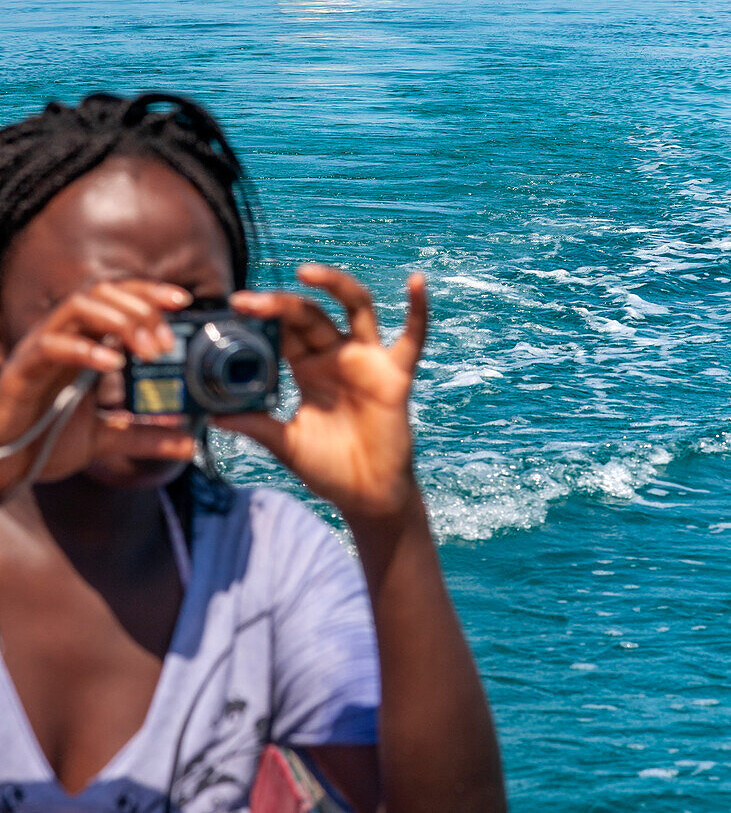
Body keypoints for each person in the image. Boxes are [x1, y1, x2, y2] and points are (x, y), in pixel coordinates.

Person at [0, 93, 506, 812]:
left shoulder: (266, 563)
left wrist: (389, 519)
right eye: (102, 316)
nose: (149, 356)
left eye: (193, 315)